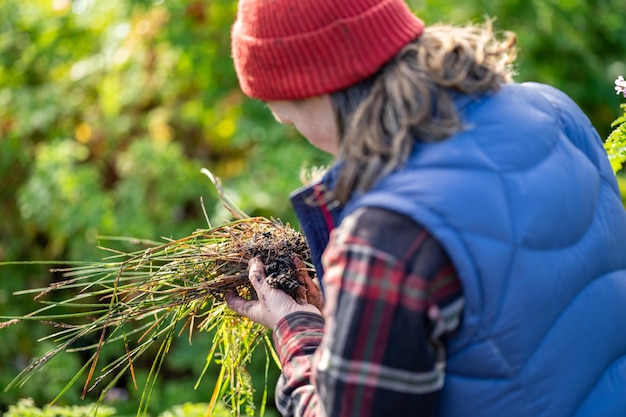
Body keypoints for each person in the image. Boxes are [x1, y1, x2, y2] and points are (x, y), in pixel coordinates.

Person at [224, 0, 626, 416]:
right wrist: (361, 319)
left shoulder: (388, 231)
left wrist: (299, 328)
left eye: (283, 109)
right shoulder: (553, 110)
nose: (287, 124)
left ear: (316, 86)